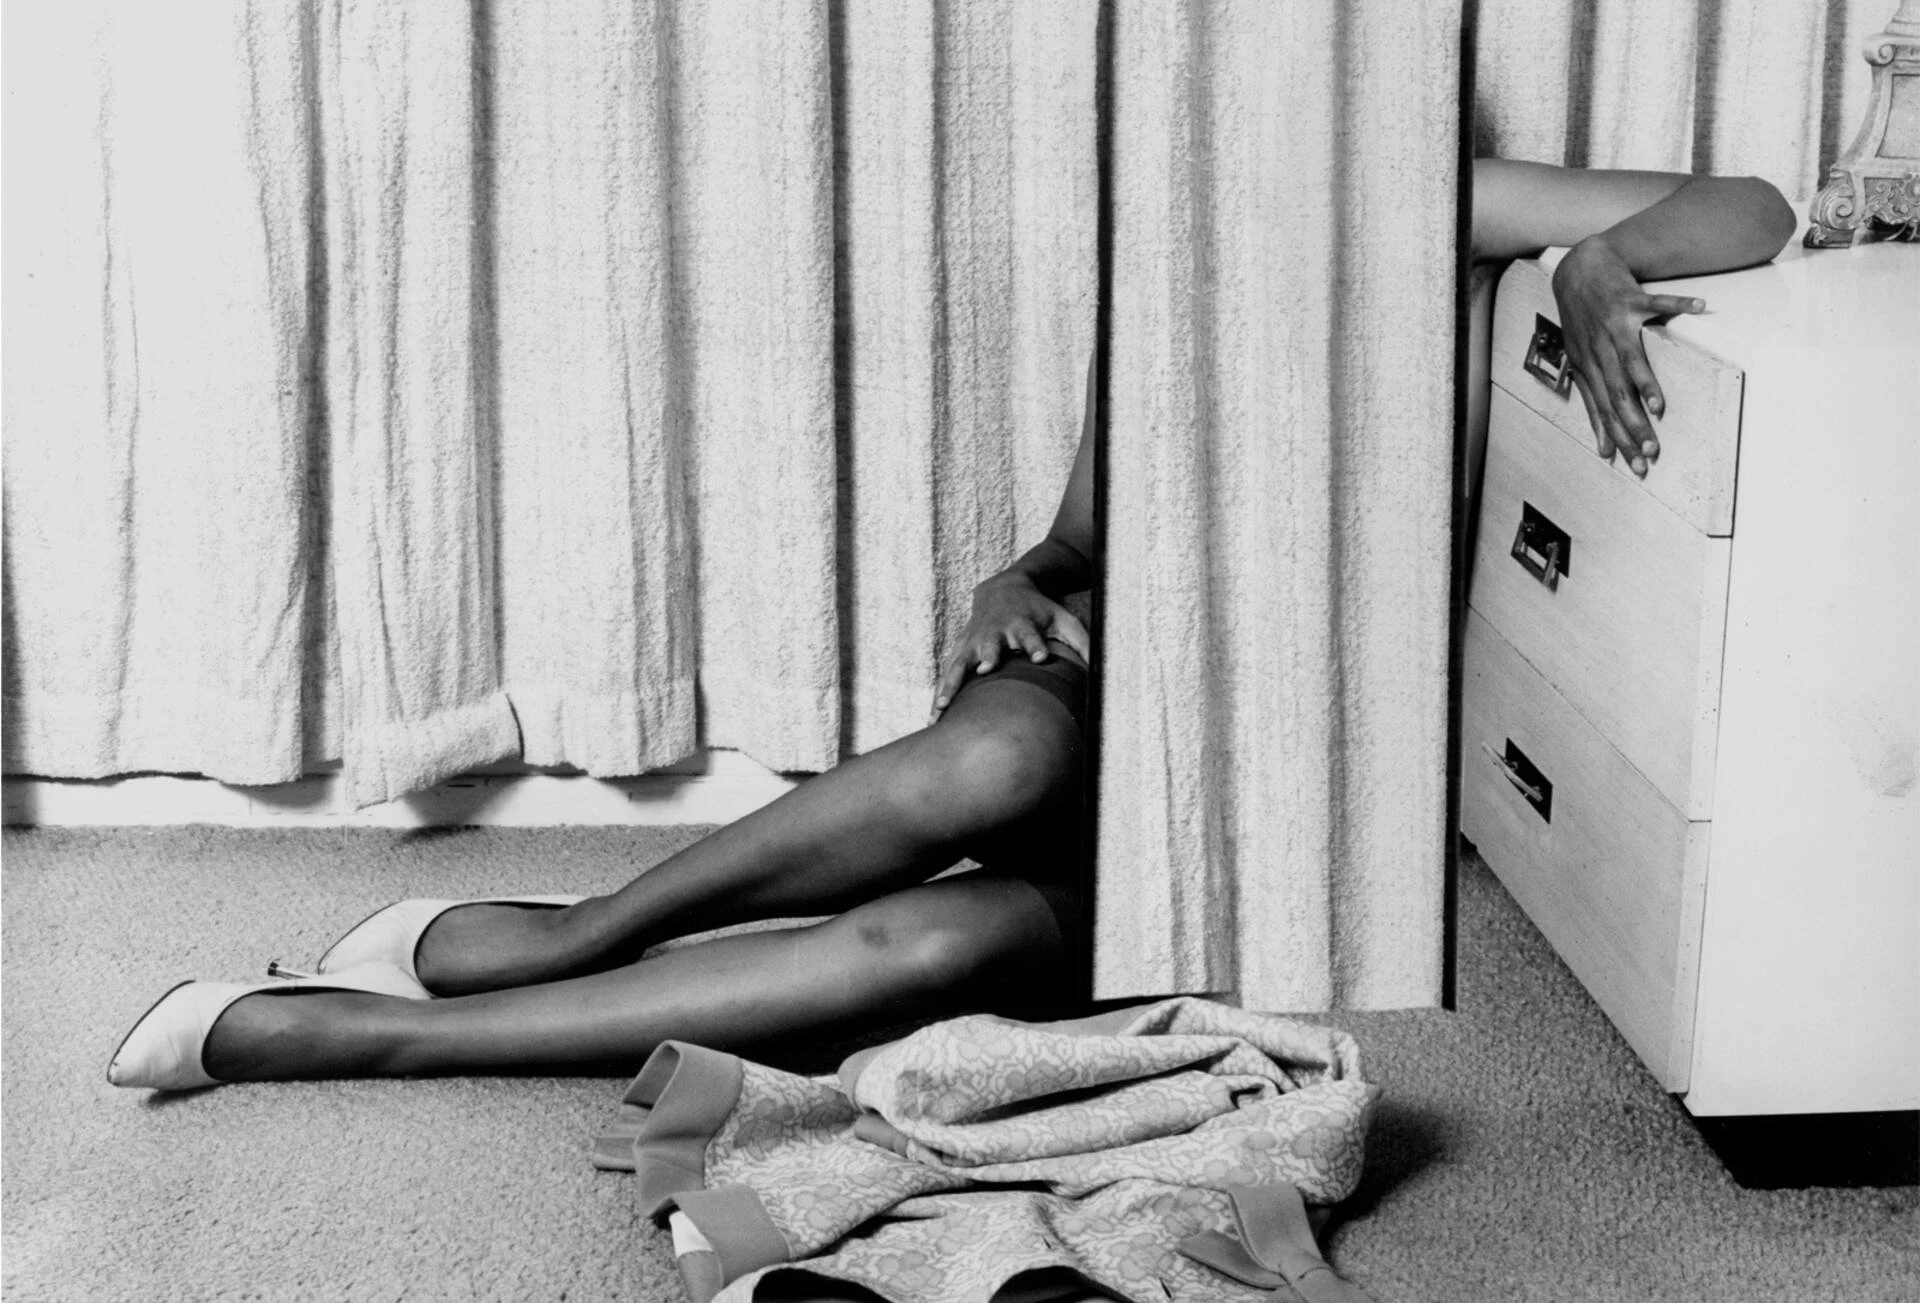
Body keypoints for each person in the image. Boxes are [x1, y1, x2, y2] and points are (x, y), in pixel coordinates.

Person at [108, 159, 1795, 1090]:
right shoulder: (1174, 249)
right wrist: (1012, 582)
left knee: (931, 955)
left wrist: (1601, 260)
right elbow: (1081, 540)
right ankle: (574, 933)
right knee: (996, 753)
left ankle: (373, 1035)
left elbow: (1756, 208)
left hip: (1260, 797)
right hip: (1095, 695)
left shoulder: (1419, 197)